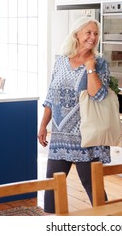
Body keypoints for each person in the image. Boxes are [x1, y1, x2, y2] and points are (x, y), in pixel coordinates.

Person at [38, 16, 111, 213]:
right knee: (52, 186)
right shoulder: (61, 61)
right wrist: (44, 124)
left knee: (92, 187)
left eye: (96, 33)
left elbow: (99, 95)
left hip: (86, 135)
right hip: (60, 135)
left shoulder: (99, 63)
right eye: (88, 32)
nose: (93, 37)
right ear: (76, 34)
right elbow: (52, 95)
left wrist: (89, 68)